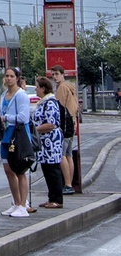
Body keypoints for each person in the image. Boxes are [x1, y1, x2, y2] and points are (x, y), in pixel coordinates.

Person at [0, 66, 32, 217]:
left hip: (18, 135)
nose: (8, 79)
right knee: (8, 170)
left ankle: (23, 204)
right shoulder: (3, 95)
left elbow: (24, 117)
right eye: (6, 76)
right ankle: (15, 201)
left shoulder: (21, 95)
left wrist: (6, 118)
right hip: (6, 135)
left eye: (11, 76)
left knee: (20, 170)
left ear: (17, 78)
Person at [34, 75, 64, 208]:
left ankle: (57, 199)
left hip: (51, 141)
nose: (36, 89)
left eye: (37, 87)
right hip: (45, 142)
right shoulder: (43, 102)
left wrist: (35, 130)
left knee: (53, 169)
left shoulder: (50, 103)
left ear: (44, 88)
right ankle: (51, 198)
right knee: (47, 169)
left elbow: (51, 124)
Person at [51, 65, 78, 194]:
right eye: (53, 75)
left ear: (63, 74)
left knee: (62, 155)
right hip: (71, 124)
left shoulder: (62, 88)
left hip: (64, 125)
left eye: (57, 74)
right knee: (68, 155)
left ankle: (67, 184)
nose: (55, 77)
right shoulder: (70, 87)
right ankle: (69, 183)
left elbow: (59, 107)